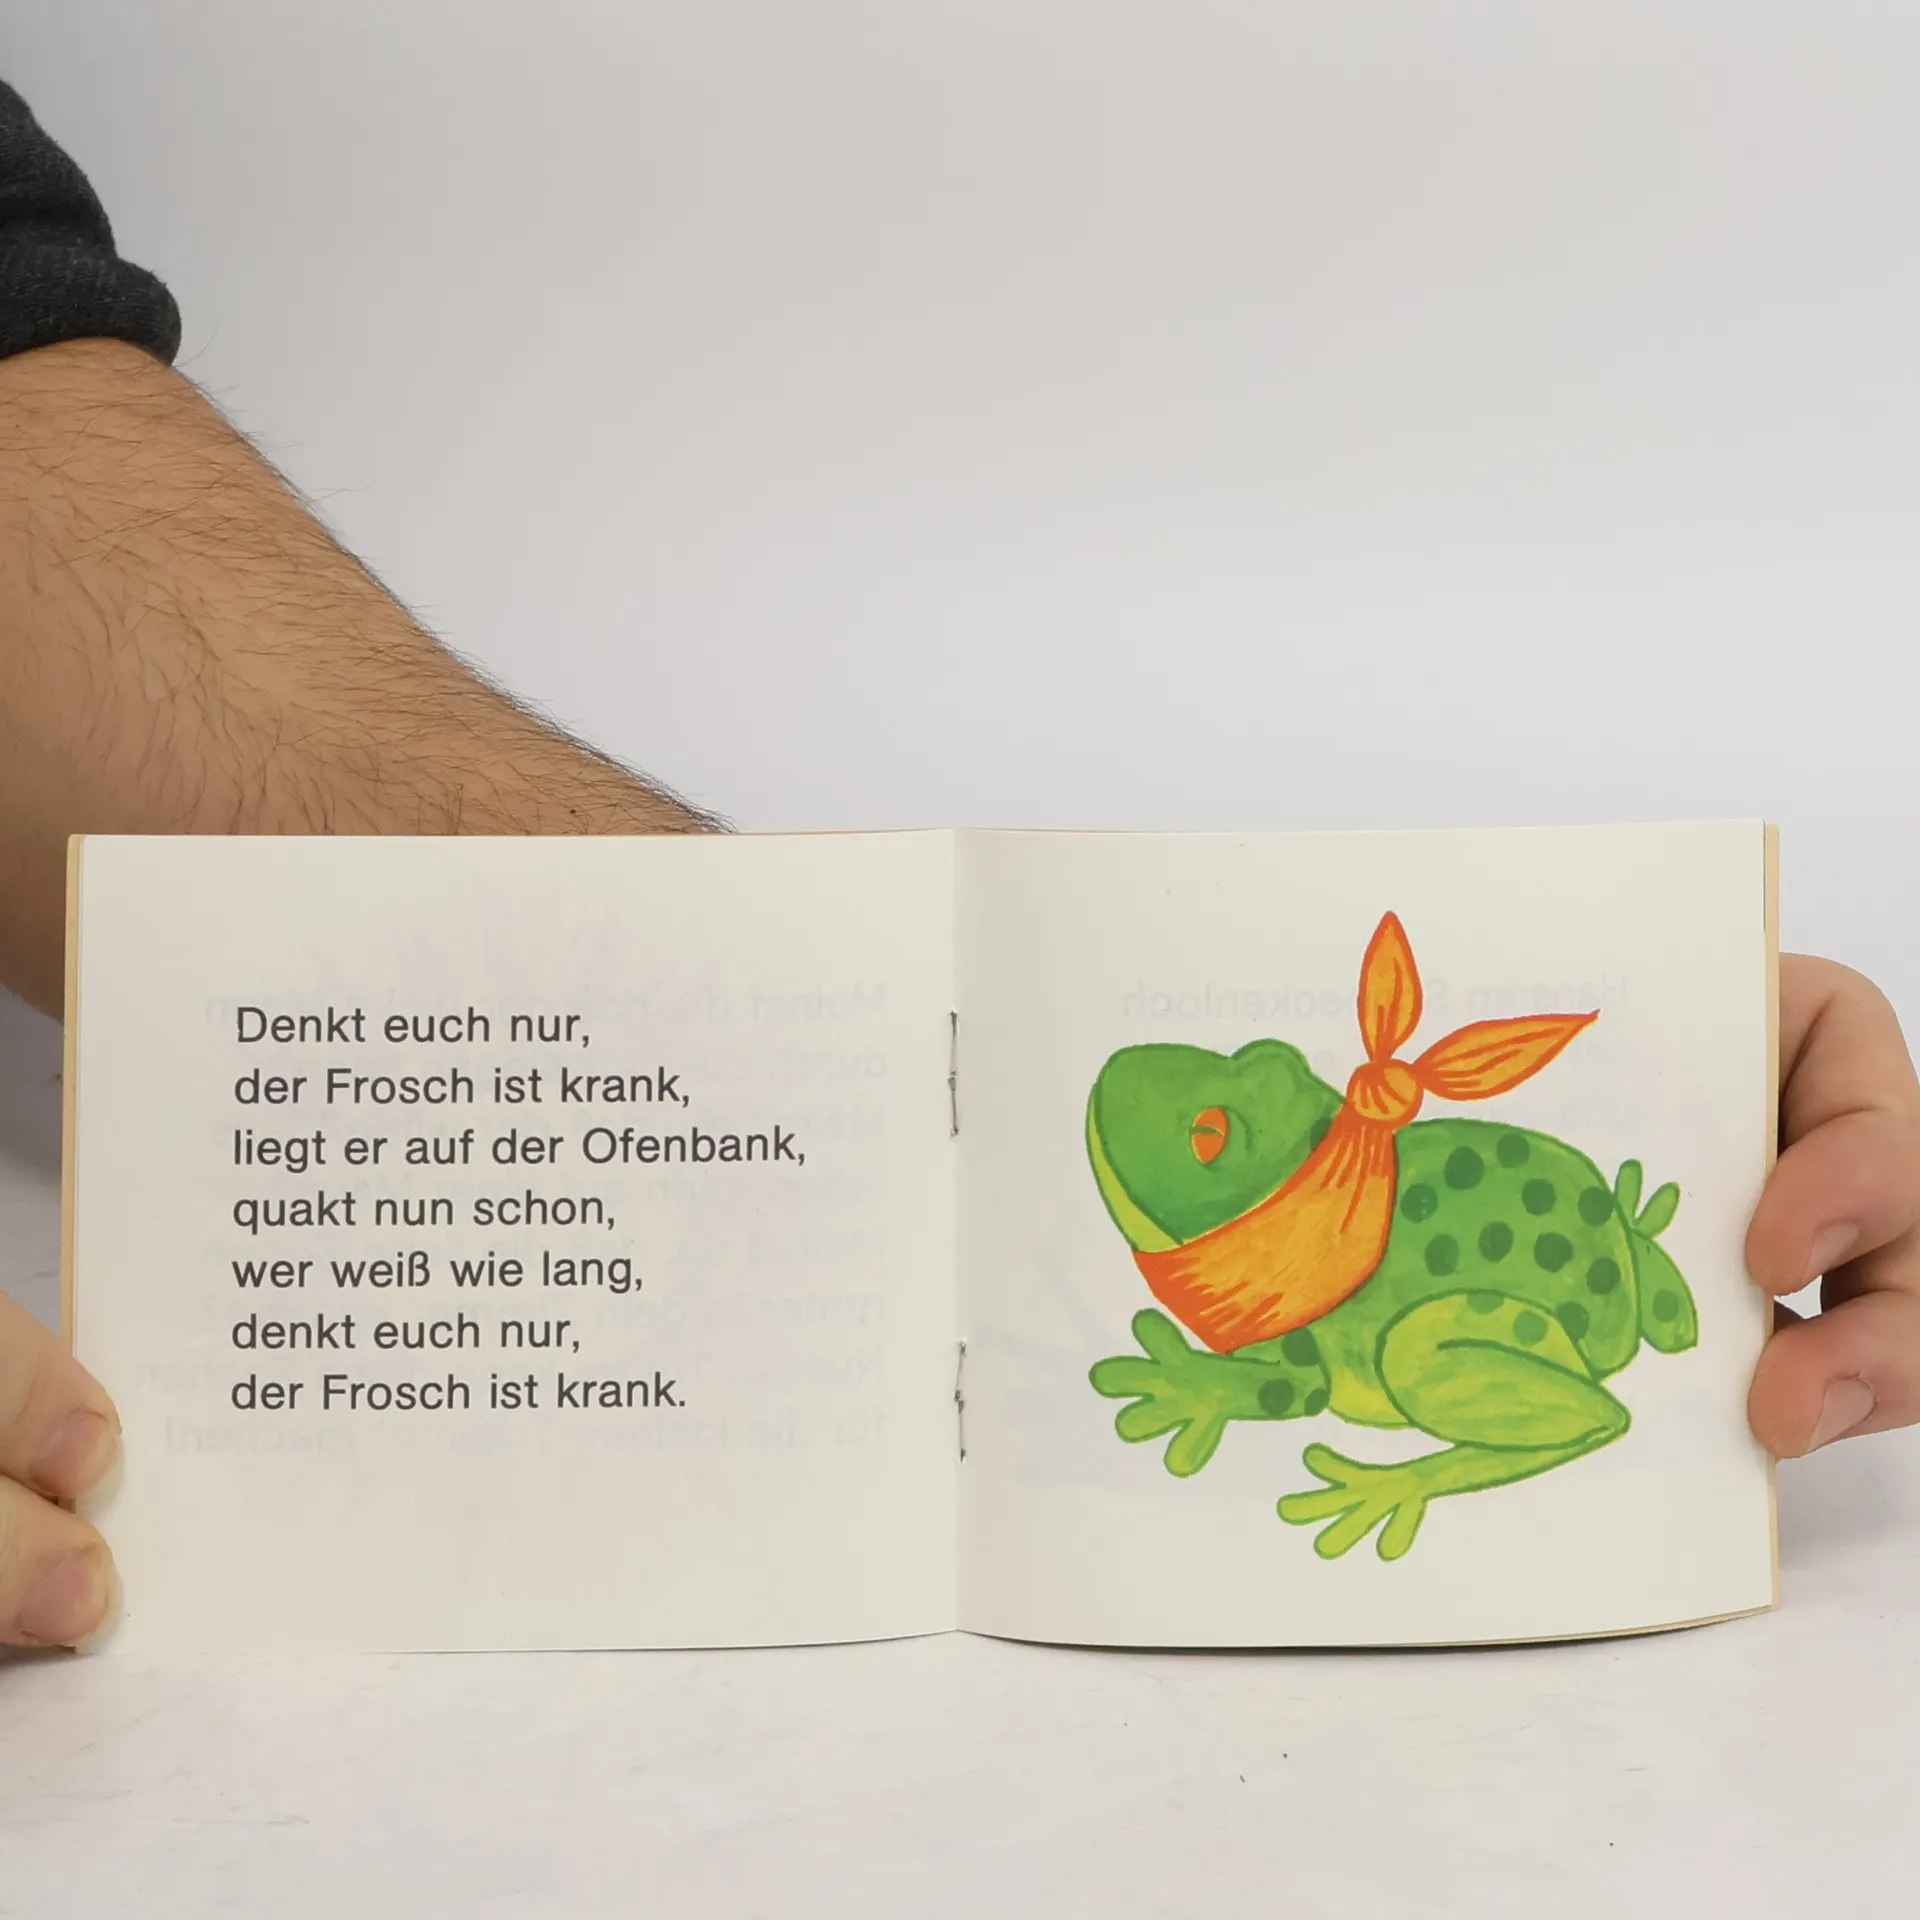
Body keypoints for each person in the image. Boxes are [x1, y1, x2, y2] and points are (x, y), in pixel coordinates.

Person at [0, 83, 1913, 1651]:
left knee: (1420, 1347)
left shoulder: (1316, 1271)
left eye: (1234, 1118)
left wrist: (796, 1015)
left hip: (1546, 1313)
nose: (1190, 1105)